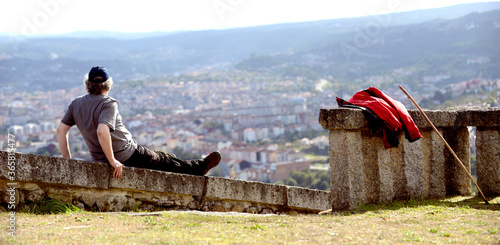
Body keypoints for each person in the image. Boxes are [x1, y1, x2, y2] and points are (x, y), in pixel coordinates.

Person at [57, 66, 221, 179]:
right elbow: (102, 131)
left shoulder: (75, 103)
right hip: (127, 154)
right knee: (163, 160)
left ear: (88, 84)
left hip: (98, 159)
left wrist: (67, 160)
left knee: (165, 158)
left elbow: (61, 131)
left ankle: (196, 165)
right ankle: (200, 167)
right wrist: (113, 161)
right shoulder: (108, 103)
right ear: (108, 84)